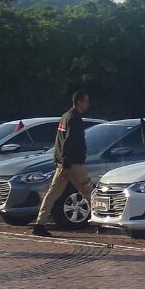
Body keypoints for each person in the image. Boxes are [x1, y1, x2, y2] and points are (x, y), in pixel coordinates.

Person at [33, 90, 92, 237]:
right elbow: (69, 143)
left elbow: (58, 142)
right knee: (89, 191)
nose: (88, 104)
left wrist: (59, 162)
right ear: (79, 102)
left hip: (62, 164)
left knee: (52, 194)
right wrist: (66, 165)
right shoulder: (75, 119)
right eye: (86, 101)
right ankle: (103, 219)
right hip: (73, 165)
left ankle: (40, 224)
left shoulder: (65, 116)